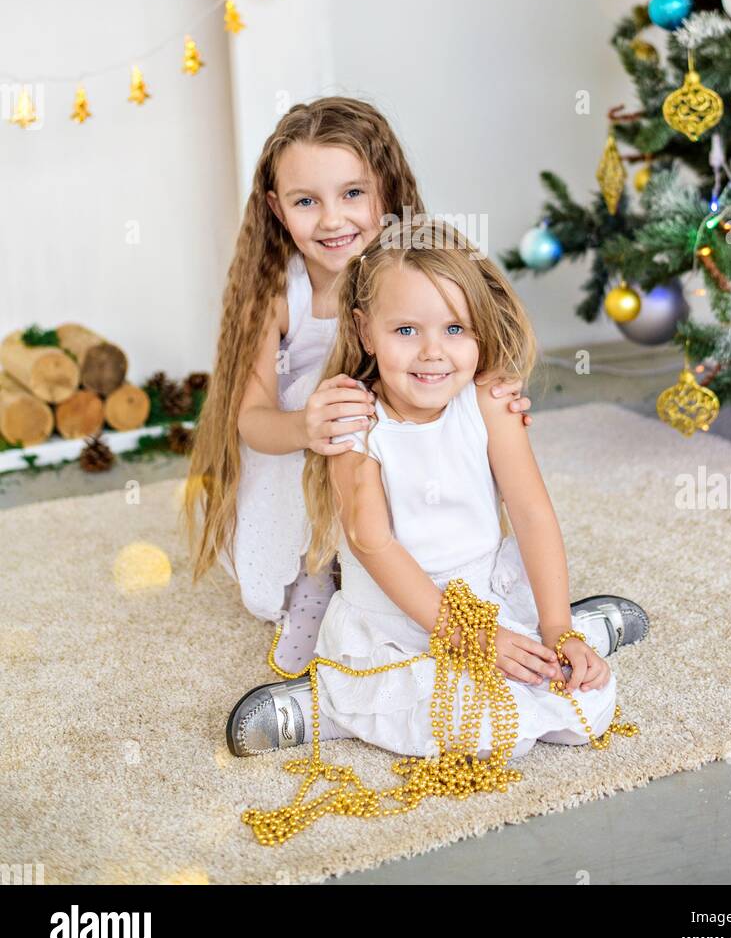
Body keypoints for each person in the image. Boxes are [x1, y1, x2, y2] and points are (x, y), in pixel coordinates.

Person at [226, 219, 649, 761]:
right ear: (364, 331)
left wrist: (557, 627)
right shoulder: (355, 422)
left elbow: (532, 513)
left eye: (455, 330)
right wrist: (466, 638)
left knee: (582, 711)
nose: (432, 353)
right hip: (401, 616)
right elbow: (373, 543)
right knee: (474, 728)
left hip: (485, 598)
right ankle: (326, 706)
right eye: (406, 331)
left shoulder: (491, 403)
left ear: (479, 331)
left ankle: (578, 623)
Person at [181, 98, 533, 675]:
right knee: (320, 398)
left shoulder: (420, 270)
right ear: (277, 207)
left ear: (387, 193)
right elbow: (251, 420)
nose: (332, 219)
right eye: (305, 201)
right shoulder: (276, 296)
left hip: (403, 440)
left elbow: (468, 337)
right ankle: (319, 571)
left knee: (445, 398)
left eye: (352, 194)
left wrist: (494, 387)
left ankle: (438, 563)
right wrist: (307, 426)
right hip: (318, 450)